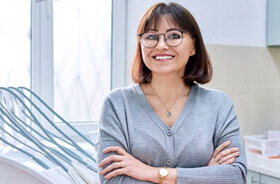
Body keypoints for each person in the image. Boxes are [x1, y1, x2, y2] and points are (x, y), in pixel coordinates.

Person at [96, 2, 247, 184]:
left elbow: (236, 177)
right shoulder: (117, 104)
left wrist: (153, 173)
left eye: (174, 36)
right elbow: (113, 181)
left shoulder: (219, 105)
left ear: (194, 46)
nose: (161, 45)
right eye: (151, 36)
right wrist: (205, 174)